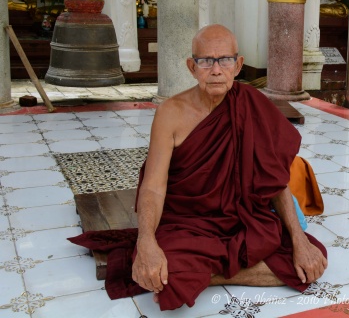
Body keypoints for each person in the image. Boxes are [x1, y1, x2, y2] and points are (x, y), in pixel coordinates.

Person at [68, 24, 327, 311]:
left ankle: (200, 277)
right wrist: (146, 242)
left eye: (225, 60)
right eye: (205, 61)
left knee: (311, 259)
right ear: (192, 67)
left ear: (238, 65)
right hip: (187, 221)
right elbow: (153, 186)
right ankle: (191, 273)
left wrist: (300, 240)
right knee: (161, 258)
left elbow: (275, 180)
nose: (216, 70)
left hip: (241, 217)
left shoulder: (251, 104)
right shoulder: (171, 114)